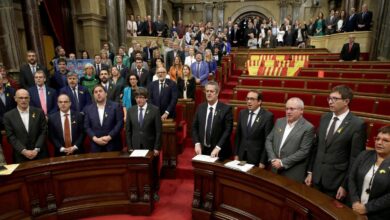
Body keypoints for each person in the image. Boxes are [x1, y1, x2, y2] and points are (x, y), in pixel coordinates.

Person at [305, 85, 366, 201]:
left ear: (346, 101)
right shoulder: (325, 117)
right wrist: (310, 171)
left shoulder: (357, 124)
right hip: (316, 177)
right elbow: (316, 147)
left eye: (335, 99)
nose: (330, 102)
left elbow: (355, 159)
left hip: (336, 181)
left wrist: (345, 185)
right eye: (329, 98)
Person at [266, 98, 315, 183]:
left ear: (301, 110)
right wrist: (273, 158)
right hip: (274, 168)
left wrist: (282, 162)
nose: (288, 112)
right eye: (287, 108)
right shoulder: (279, 121)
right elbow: (269, 140)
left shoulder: (308, 127)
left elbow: (304, 151)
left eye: (292, 109)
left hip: (292, 173)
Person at [126, 87, 162, 200]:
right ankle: (140, 190)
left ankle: (154, 191)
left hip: (150, 146)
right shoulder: (130, 110)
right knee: (138, 170)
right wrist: (130, 147)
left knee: (152, 170)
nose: (139, 100)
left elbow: (158, 131)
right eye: (137, 97)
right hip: (136, 146)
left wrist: (157, 148)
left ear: (146, 98)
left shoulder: (155, 110)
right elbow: (128, 131)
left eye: (141, 97)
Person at [349, 125, 390, 219]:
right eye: (378, 139)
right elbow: (352, 177)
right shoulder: (364, 155)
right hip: (354, 207)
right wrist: (355, 201)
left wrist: (367, 208)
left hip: (379, 214)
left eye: (385, 140)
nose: (379, 142)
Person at [3, 89, 48, 163]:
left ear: (29, 99)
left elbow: (43, 131)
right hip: (20, 156)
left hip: (40, 154)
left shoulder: (39, 112)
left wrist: (36, 149)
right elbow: (11, 136)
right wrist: (23, 151)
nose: (23, 100)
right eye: (21, 98)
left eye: (26, 98)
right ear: (15, 99)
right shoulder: (8, 116)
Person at [192, 81, 233, 160]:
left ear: (217, 93)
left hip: (220, 151)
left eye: (211, 91)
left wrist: (218, 147)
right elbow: (194, 127)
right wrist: (197, 143)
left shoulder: (226, 109)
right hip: (203, 150)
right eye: (207, 91)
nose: (209, 93)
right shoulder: (200, 107)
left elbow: (228, 130)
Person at [235, 90, 273, 167]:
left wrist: (262, 161)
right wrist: (236, 154)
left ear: (259, 102)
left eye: (252, 99)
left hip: (256, 158)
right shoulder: (242, 113)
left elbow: (268, 141)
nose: (249, 101)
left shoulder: (267, 116)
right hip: (242, 155)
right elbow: (238, 135)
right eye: (247, 99)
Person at [84, 84, 124, 152]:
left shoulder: (116, 106)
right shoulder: (88, 109)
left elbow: (120, 124)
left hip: (113, 144)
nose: (98, 93)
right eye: (96, 92)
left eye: (100, 91)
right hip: (96, 146)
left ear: (106, 93)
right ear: (93, 95)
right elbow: (86, 127)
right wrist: (95, 139)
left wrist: (109, 137)